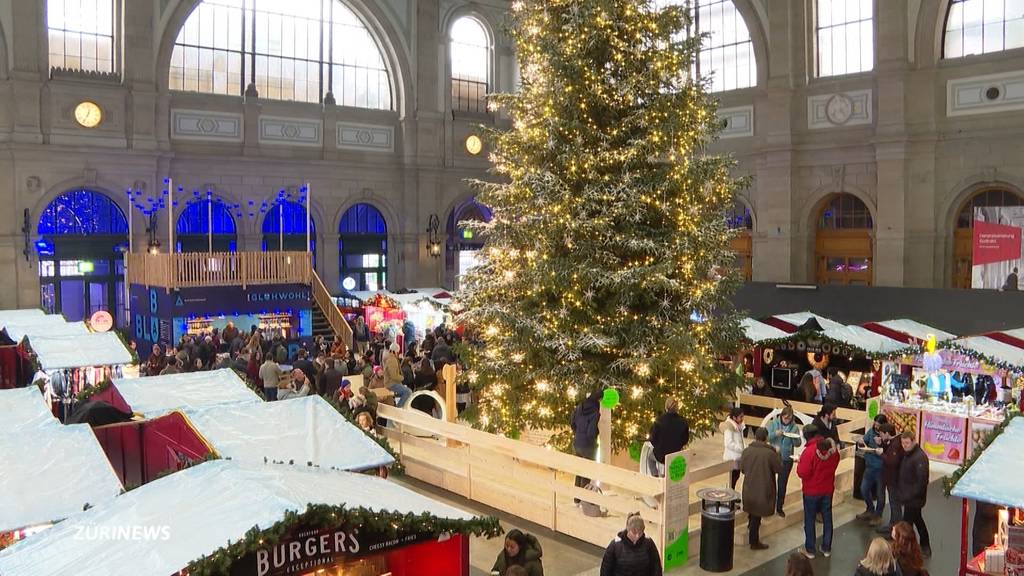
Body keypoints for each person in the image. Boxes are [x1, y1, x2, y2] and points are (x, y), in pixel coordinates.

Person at [796, 425, 839, 559]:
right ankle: (826, 548)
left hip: (811, 491)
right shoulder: (832, 450)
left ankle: (810, 550)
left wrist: (799, 462)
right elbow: (836, 461)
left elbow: (802, 472)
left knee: (810, 520)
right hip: (827, 490)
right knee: (827, 518)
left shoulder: (808, 452)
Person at [739, 427, 781, 550]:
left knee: (753, 513)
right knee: (756, 516)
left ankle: (752, 535)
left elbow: (742, 469)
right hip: (763, 488)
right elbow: (779, 469)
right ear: (766, 438)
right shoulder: (770, 453)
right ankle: (754, 542)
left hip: (749, 487)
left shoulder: (747, 451)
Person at [896, 431, 931, 558]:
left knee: (907, 525)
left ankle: (907, 549)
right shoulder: (909, 455)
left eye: (907, 443)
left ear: (913, 441)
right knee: (917, 521)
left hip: (914, 499)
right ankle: (924, 546)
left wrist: (907, 496)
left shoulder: (919, 458)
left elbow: (921, 482)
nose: (904, 446)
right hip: (909, 497)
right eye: (902, 443)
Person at [766, 405, 802, 517]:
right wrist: (774, 434)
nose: (786, 420)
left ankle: (779, 506)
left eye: (789, 418)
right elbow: (766, 438)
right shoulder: (773, 424)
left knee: (782, 483)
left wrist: (794, 438)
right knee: (770, 482)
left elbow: (798, 443)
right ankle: (769, 505)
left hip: (786, 458)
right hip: (773, 456)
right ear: (781, 416)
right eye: (785, 418)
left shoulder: (794, 427)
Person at [858, 414, 888, 525]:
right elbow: (865, 440)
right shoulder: (871, 431)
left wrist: (882, 444)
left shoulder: (887, 435)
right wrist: (861, 441)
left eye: (879, 426)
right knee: (864, 489)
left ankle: (878, 515)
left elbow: (890, 450)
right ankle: (870, 509)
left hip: (881, 469)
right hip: (869, 466)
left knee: (880, 493)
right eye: (875, 425)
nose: (876, 427)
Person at [571, 390, 602, 496]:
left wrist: (578, 434)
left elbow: (572, 423)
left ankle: (576, 498)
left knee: (579, 471)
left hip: (577, 443)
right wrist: (593, 441)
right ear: (599, 399)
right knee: (587, 472)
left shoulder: (580, 406)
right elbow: (591, 431)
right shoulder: (595, 412)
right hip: (588, 446)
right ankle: (584, 498)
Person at [648, 398, 690, 476]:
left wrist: (658, 446)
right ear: (677, 408)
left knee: (650, 458)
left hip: (661, 454)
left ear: (666, 407)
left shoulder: (659, 420)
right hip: (675, 453)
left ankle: (655, 477)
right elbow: (685, 439)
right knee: (668, 457)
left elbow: (652, 438)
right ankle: (666, 476)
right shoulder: (683, 421)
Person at [720, 406, 745, 489]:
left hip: (738, 456)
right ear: (734, 417)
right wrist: (740, 449)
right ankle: (731, 494)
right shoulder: (729, 427)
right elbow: (728, 443)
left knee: (736, 476)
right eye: (740, 417)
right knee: (733, 477)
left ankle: (732, 492)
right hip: (732, 456)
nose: (742, 419)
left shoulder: (739, 426)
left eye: (742, 417)